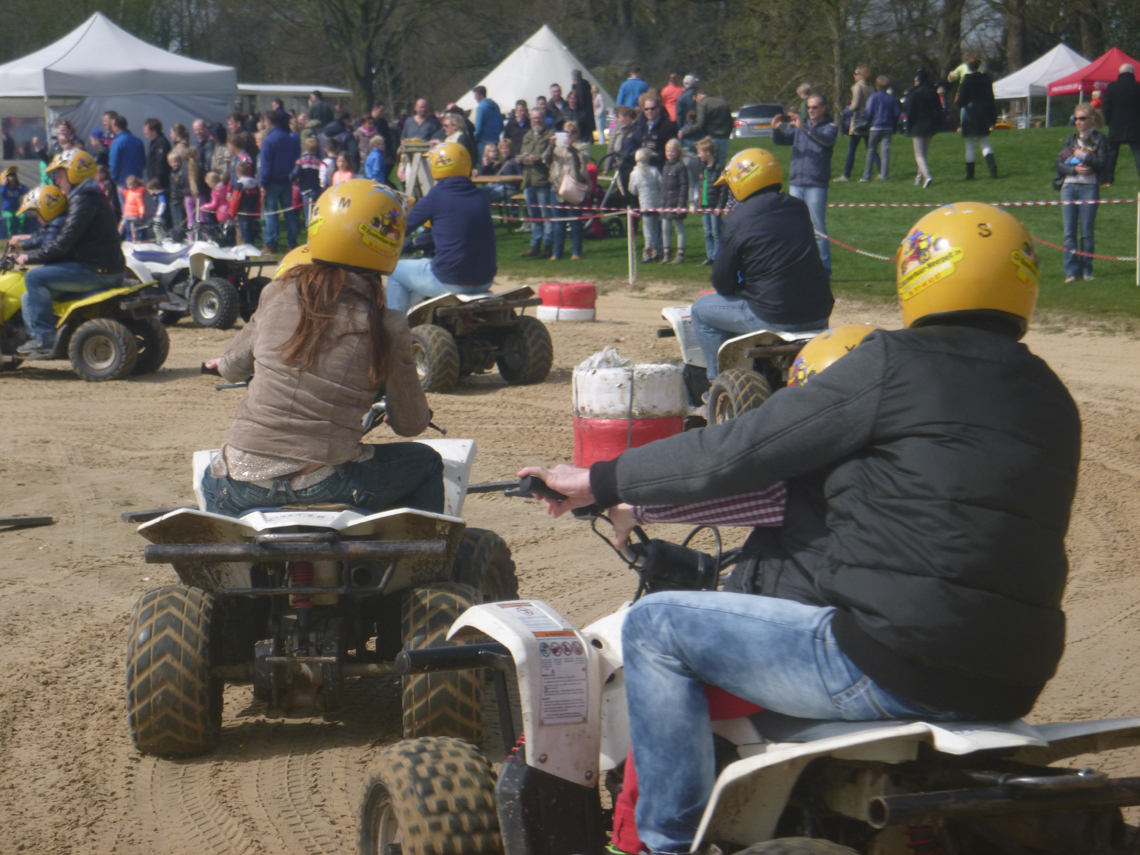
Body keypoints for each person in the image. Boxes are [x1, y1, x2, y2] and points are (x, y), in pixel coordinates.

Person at [520, 201, 1079, 855]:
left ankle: (665, 842)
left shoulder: (892, 363)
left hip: (889, 658)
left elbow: (732, 453)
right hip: (1016, 675)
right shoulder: (1051, 396)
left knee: (655, 627)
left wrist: (600, 479)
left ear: (917, 273)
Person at [201, 180, 443, 516]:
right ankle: (424, 566)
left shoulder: (277, 292)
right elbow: (410, 424)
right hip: (329, 481)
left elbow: (230, 367)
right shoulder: (387, 323)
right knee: (427, 462)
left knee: (209, 475)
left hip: (239, 484)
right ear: (387, 241)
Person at [689, 148, 832, 383]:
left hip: (774, 315)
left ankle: (719, 383)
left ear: (741, 182)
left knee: (700, 311)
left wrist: (739, 287)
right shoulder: (798, 207)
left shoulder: (736, 219)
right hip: (820, 312)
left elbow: (722, 282)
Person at [11, 151, 125, 357]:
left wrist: (29, 257)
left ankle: (43, 338)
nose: (57, 180)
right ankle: (38, 332)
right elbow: (60, 236)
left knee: (34, 277)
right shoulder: (89, 196)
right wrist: (28, 243)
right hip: (106, 266)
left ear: (75, 174)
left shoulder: (83, 199)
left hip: (97, 270)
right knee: (29, 297)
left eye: (61, 174)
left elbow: (63, 242)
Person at [383, 142, 496, 313]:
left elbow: (401, 227)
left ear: (438, 166)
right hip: (485, 279)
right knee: (427, 265)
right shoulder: (480, 195)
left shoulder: (437, 195)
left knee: (396, 271)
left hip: (450, 280)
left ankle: (395, 330)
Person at [771, 94, 837, 275]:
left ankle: (824, 269)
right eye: (808, 108)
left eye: (814, 107)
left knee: (818, 230)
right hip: (796, 183)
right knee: (796, 227)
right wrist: (775, 129)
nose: (811, 111)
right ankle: (798, 267)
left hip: (816, 184)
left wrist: (805, 128)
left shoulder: (830, 127)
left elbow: (825, 140)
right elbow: (781, 140)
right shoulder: (802, 129)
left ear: (823, 108)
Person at [1055, 103, 1108, 283]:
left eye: (1082, 118)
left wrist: (1084, 157)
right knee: (1069, 232)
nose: (1078, 122)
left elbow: (1102, 164)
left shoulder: (1100, 139)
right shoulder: (1070, 140)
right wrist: (1074, 170)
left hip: (1089, 188)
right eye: (1075, 119)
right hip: (1069, 188)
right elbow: (1059, 164)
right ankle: (1071, 271)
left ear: (1091, 120)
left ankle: (1087, 270)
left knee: (1087, 232)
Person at [545, 121, 591, 262]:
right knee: (558, 222)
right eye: (566, 132)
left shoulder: (582, 146)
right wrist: (551, 145)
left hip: (573, 187)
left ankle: (576, 252)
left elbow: (582, 162)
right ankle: (557, 252)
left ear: (577, 134)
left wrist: (570, 148)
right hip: (557, 187)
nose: (569, 135)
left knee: (575, 221)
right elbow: (545, 159)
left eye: (573, 132)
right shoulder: (557, 147)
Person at [259, 109, 301, 253]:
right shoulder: (290, 138)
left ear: (268, 122)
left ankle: (271, 244)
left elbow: (266, 165)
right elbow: (296, 157)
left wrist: (263, 183)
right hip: (287, 180)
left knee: (270, 213)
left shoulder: (268, 140)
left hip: (272, 181)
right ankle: (292, 243)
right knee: (289, 212)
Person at [518, 107, 556, 258]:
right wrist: (520, 158)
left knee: (546, 215)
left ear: (543, 118)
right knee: (534, 216)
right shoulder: (527, 135)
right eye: (534, 118)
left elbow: (550, 155)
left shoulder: (549, 135)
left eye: (539, 118)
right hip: (528, 180)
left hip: (542, 180)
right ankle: (534, 245)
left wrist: (537, 158)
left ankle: (547, 246)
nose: (536, 121)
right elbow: (522, 153)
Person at [956, 53, 998, 179]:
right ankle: (992, 165)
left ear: (968, 66)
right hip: (984, 112)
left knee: (969, 144)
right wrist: (993, 118)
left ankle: (970, 174)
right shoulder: (986, 79)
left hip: (970, 113)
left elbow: (960, 101)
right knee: (984, 143)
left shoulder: (966, 80)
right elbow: (991, 98)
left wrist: (959, 102)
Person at [904, 69, 943, 188]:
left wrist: (907, 124)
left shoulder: (914, 93)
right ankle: (918, 179)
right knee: (924, 154)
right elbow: (939, 108)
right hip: (930, 124)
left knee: (919, 154)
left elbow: (909, 110)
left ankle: (927, 176)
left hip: (917, 124)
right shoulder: (933, 92)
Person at [1103, 63, 1140, 186]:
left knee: (1112, 153)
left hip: (1116, 125)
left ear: (1120, 73)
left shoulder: (1112, 87)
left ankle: (1108, 179)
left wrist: (1108, 121)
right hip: (1135, 126)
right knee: (1137, 153)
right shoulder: (1138, 87)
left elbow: (1106, 107)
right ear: (1132, 73)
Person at [836, 66, 875, 181]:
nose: (854, 75)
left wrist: (847, 110)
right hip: (868, 120)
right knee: (871, 148)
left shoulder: (858, 87)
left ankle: (846, 174)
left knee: (852, 149)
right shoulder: (871, 87)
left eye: (856, 73)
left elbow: (856, 104)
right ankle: (881, 171)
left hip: (858, 121)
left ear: (862, 75)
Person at [679, 88, 732, 170]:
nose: (696, 103)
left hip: (712, 139)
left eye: (695, 100)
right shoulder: (722, 102)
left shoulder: (703, 103)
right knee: (722, 167)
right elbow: (731, 122)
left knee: (711, 167)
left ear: (698, 96)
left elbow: (699, 125)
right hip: (725, 139)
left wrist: (684, 132)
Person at [695, 137, 727, 266]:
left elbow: (724, 189)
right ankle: (709, 257)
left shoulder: (719, 168)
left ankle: (717, 257)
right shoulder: (703, 168)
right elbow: (702, 186)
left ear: (707, 152)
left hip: (715, 206)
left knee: (716, 232)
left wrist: (720, 206)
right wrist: (700, 203)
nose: (698, 155)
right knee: (707, 233)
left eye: (700, 152)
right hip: (705, 205)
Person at [861, 76, 900, 181]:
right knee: (885, 152)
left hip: (875, 126)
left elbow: (869, 112)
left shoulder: (873, 97)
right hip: (887, 126)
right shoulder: (892, 98)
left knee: (871, 151)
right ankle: (884, 176)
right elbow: (896, 113)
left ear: (877, 85)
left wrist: (867, 122)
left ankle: (866, 176)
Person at [628, 147, 663, 263]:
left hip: (645, 204)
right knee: (656, 228)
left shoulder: (634, 173)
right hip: (656, 203)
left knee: (647, 230)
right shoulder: (654, 170)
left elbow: (632, 190)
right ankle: (656, 251)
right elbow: (661, 184)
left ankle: (647, 253)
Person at [659, 139, 688, 264]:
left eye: (672, 151)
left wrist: (680, 204)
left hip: (676, 203)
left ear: (678, 152)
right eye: (667, 151)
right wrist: (661, 204)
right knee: (665, 228)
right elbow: (663, 188)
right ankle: (666, 255)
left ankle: (680, 254)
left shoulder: (680, 167)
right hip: (665, 204)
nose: (669, 153)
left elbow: (684, 186)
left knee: (679, 228)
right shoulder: (665, 166)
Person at [629, 96, 678, 168]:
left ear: (659, 108)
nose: (649, 111)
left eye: (652, 108)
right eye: (646, 109)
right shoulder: (641, 126)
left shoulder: (667, 126)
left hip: (660, 167)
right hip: (643, 166)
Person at [108, 116, 146, 191]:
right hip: (138, 179)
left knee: (127, 202)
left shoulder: (116, 143)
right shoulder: (138, 141)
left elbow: (114, 163)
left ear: (117, 127)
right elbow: (143, 161)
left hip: (123, 181)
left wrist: (114, 178)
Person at [291, 137, 324, 218]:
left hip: (306, 191)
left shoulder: (301, 160)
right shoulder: (319, 161)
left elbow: (295, 174)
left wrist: (291, 178)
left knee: (309, 216)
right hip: (317, 190)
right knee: (316, 215)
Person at [232, 161, 261, 246]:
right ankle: (251, 245)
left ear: (238, 173)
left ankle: (247, 248)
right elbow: (259, 199)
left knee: (244, 231)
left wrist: (232, 213)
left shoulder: (239, 185)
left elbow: (234, 201)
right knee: (251, 230)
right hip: (253, 211)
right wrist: (257, 212)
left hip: (242, 212)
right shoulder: (255, 184)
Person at [472, 85, 504, 156]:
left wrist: (475, 140)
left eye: (475, 96)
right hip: (496, 141)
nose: (474, 98)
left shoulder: (480, 107)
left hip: (484, 143)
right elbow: (501, 124)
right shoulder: (496, 106)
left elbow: (478, 128)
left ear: (480, 95)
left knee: (483, 164)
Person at [143, 118, 172, 194]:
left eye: (146, 130)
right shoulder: (153, 142)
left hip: (160, 184)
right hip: (154, 182)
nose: (144, 132)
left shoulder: (162, 143)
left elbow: (161, 163)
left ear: (153, 131)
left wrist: (157, 180)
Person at [1, 167, 29, 239]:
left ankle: (21, 233)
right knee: (10, 217)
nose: (13, 179)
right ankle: (10, 234)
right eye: (11, 177)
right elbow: (1, 192)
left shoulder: (18, 189)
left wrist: (20, 184)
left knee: (22, 216)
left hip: (16, 210)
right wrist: (5, 184)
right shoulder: (4, 189)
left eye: (14, 176)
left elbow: (27, 191)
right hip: (7, 211)